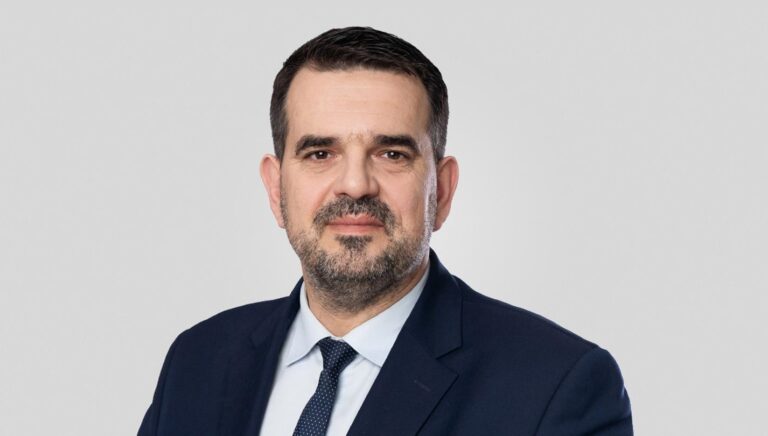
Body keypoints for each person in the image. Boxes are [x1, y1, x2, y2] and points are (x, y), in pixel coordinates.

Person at [138, 26, 633, 436]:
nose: (355, 184)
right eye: (320, 153)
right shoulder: (197, 361)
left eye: (392, 154)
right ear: (275, 188)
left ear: (442, 189)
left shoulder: (555, 385)